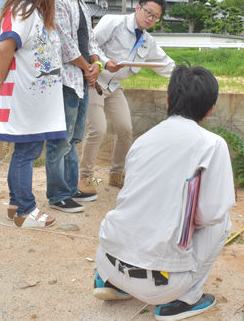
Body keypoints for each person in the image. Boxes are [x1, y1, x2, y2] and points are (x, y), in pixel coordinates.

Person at [92, 65, 234, 320]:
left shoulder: (143, 140)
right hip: (161, 286)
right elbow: (211, 213)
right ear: (210, 109)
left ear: (168, 99)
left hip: (107, 261)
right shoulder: (212, 145)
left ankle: (110, 281)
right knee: (222, 220)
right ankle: (184, 300)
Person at [0, 0, 67, 228]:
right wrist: (0, 79)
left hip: (37, 100)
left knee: (26, 151)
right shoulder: (22, 10)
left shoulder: (37, 12)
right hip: (24, 97)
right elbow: (5, 48)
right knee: (26, 153)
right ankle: (26, 210)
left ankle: (16, 203)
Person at [79, 0, 175, 190]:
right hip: (94, 83)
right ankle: (85, 176)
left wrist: (189, 75)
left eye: (155, 17)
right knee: (98, 128)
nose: (150, 19)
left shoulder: (148, 42)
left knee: (125, 129)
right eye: (148, 12)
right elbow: (90, 43)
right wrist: (104, 62)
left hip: (114, 88)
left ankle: (115, 174)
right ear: (138, 8)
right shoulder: (113, 22)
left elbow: (165, 64)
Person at [45, 0, 104, 214]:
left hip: (80, 80)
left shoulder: (82, 3)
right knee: (60, 139)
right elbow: (65, 42)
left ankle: (70, 188)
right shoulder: (58, 0)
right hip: (65, 80)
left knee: (74, 137)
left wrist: (95, 63)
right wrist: (86, 67)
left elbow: (89, 38)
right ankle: (57, 194)